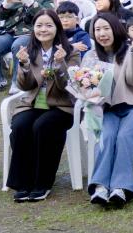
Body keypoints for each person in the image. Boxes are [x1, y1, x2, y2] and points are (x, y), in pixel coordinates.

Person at [6, 10, 80, 202]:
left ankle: (42, 183)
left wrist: (60, 64)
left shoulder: (71, 52)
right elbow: (25, 86)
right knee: (20, 126)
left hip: (61, 106)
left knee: (43, 126)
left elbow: (69, 85)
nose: (43, 30)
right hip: (33, 104)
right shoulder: (29, 51)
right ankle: (23, 183)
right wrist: (24, 65)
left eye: (48, 25)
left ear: (57, 28)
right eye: (39, 26)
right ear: (33, 29)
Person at [85, 13, 133, 207]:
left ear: (115, 29)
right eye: (98, 29)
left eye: (106, 28)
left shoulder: (129, 50)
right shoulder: (91, 57)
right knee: (107, 137)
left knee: (124, 137)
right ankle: (100, 187)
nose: (102, 33)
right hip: (107, 110)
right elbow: (85, 85)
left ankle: (121, 188)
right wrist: (89, 92)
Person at [0, 0, 53, 80]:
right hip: (10, 34)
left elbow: (49, 16)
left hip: (32, 34)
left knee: (18, 46)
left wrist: (28, 1)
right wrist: (6, 3)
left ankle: (17, 82)